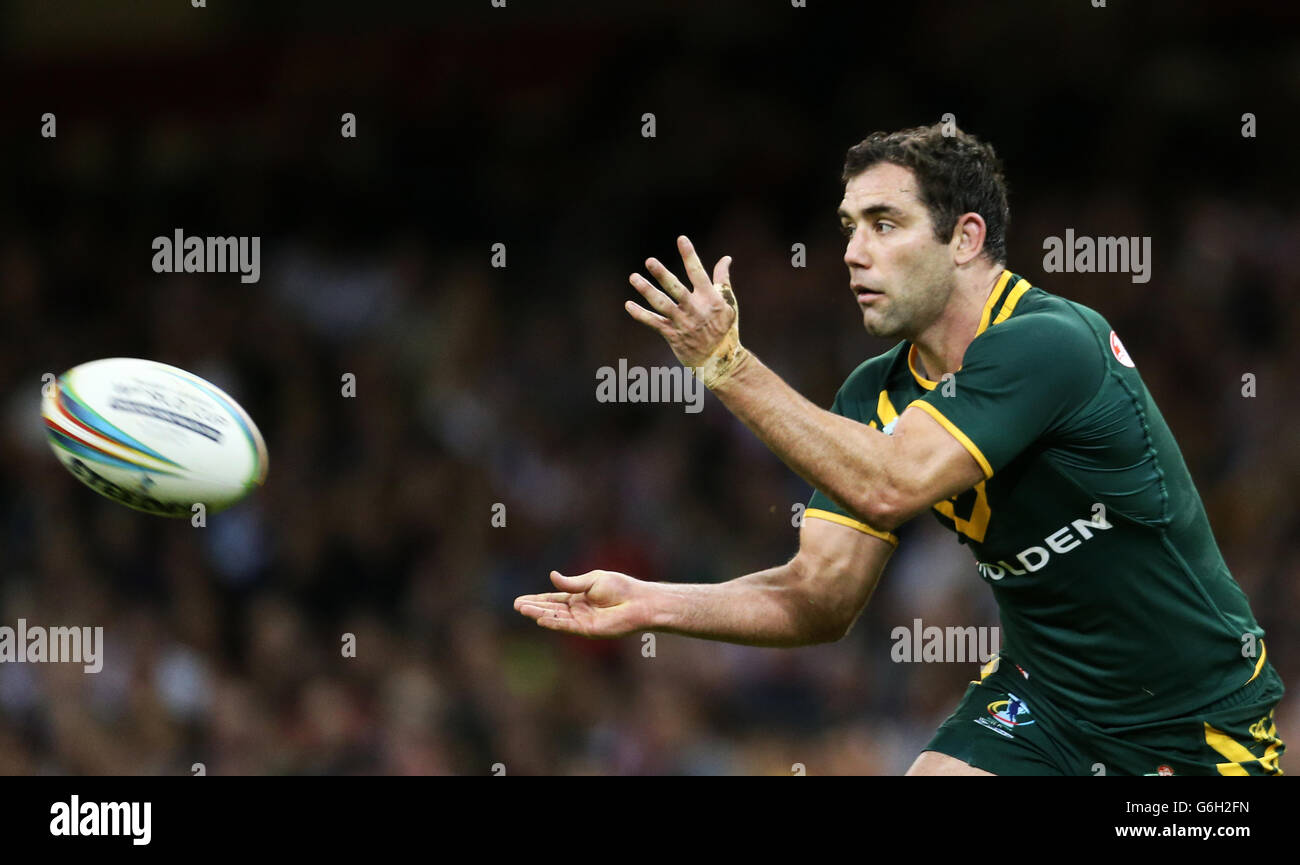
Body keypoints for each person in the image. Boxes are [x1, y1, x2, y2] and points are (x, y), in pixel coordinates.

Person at [514, 123, 1284, 776]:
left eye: (884, 223)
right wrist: (650, 601)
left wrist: (727, 365)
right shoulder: (872, 395)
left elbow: (894, 482)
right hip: (1044, 702)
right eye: (849, 226)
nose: (853, 251)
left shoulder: (1050, 342)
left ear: (966, 238)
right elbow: (820, 598)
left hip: (1195, 721)